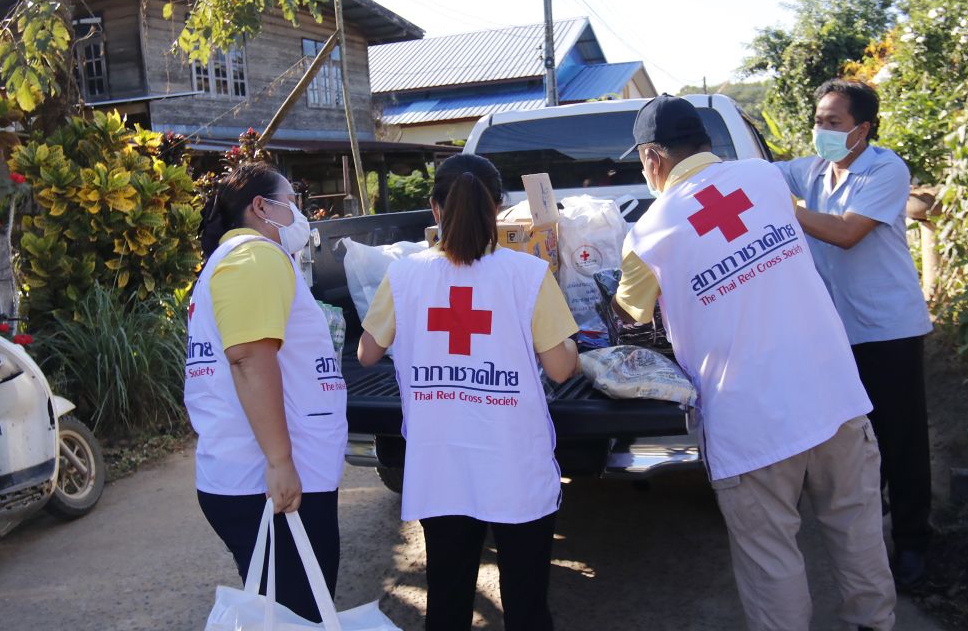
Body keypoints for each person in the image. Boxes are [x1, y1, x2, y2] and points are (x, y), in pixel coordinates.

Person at [613, 94, 896, 631]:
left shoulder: (648, 232)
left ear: (652, 157)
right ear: (705, 141)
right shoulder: (765, 179)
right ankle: (875, 624)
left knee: (771, 558)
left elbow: (630, 312)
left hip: (749, 420)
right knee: (857, 530)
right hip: (832, 393)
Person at [358, 154, 580, 631]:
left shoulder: (405, 274)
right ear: (498, 207)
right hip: (514, 466)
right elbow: (562, 369)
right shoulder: (528, 274)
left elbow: (367, 354)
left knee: (447, 602)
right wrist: (571, 345)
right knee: (527, 608)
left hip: (441, 467)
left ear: (435, 208)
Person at [775, 79, 934, 588]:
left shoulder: (885, 169)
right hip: (837, 332)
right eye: (818, 120)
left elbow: (846, 232)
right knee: (854, 438)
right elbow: (759, 176)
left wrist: (788, 211)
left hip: (888, 329)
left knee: (900, 438)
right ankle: (868, 536)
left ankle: (913, 542)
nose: (820, 130)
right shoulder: (814, 170)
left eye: (832, 122)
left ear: (862, 129)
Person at [185, 162, 347, 622]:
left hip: (254, 478)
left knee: (281, 615)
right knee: (298, 616)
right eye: (291, 202)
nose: (299, 213)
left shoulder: (237, 260)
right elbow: (248, 358)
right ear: (261, 207)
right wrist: (279, 461)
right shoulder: (253, 257)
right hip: (266, 482)